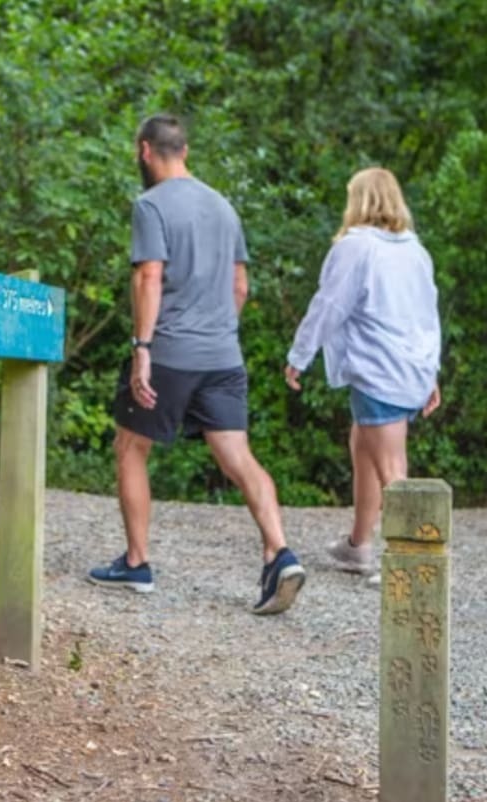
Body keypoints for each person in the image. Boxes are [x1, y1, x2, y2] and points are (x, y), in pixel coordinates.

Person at [87, 113, 306, 615]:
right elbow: (240, 286)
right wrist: (218, 332)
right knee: (238, 457)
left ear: (145, 151)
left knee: (131, 446)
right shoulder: (223, 207)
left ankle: (137, 563)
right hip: (223, 354)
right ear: (184, 150)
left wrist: (143, 349)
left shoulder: (151, 205)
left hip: (169, 351)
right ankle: (279, 551)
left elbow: (149, 277)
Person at [283, 167, 442, 575]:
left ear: (359, 200)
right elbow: (427, 316)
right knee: (363, 445)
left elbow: (329, 306)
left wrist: (300, 355)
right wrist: (431, 374)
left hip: (379, 370)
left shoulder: (356, 247)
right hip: (409, 369)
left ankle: (410, 563)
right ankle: (358, 544)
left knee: (391, 468)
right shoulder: (415, 250)